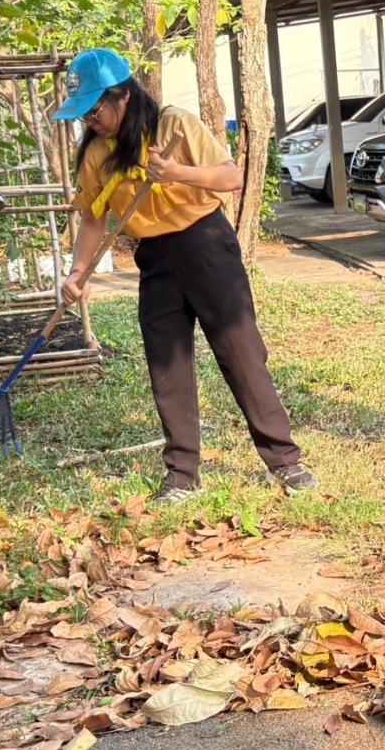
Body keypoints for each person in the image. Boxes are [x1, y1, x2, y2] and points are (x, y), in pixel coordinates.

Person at [53, 48, 317, 503]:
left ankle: (285, 461)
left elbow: (230, 178)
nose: (90, 120)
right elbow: (93, 218)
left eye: (95, 109)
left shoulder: (174, 126)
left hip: (206, 245)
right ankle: (182, 475)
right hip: (154, 256)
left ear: (124, 96)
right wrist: (78, 272)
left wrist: (177, 172)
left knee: (241, 353)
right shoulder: (97, 153)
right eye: (84, 113)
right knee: (167, 364)